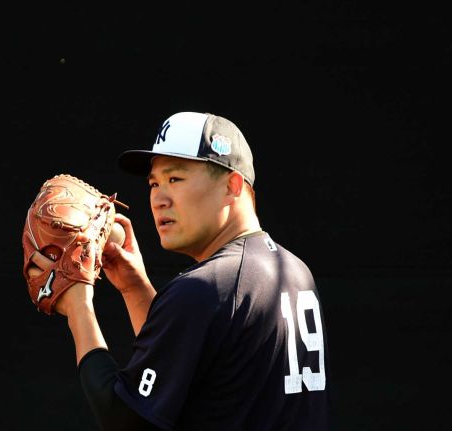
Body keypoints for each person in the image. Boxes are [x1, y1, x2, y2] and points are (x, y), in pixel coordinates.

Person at [50, 111, 331, 430]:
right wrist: (134, 287)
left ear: (232, 185)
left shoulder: (207, 288)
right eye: (154, 183)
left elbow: (124, 419)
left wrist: (78, 305)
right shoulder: (294, 270)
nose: (158, 199)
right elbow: (189, 365)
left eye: (175, 179)